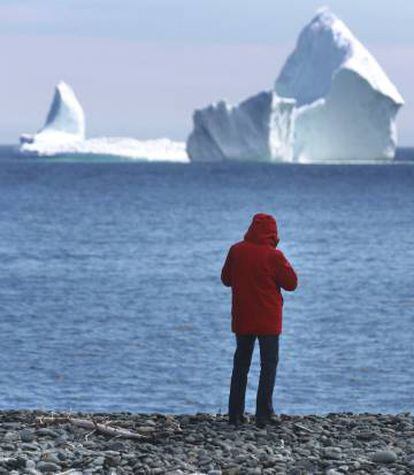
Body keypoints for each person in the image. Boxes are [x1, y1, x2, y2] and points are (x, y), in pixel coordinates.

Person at [221, 213, 298, 428]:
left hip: (243, 316)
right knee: (268, 365)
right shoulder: (274, 256)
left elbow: (226, 279)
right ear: (273, 233)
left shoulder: (236, 250)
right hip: (268, 319)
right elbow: (291, 283)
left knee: (241, 364)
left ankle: (234, 414)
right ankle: (263, 414)